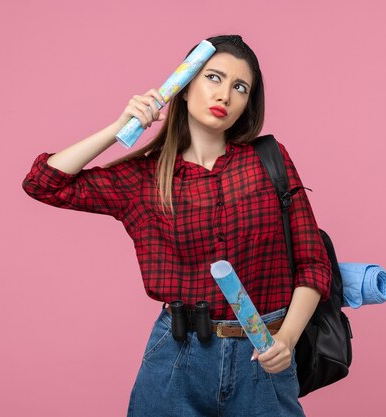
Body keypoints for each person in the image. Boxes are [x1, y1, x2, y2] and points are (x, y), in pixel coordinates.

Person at [22, 34, 331, 417]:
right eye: (213, 78)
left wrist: (286, 338)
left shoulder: (269, 161)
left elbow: (313, 263)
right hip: (177, 359)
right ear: (183, 88)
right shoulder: (144, 179)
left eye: (239, 87)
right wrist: (120, 125)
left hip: (264, 354)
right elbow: (43, 183)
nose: (225, 96)